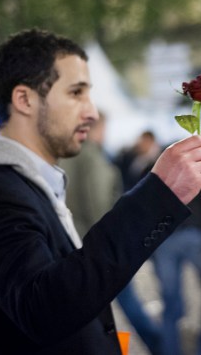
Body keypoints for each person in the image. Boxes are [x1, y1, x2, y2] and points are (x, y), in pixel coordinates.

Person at [0, 28, 201, 355]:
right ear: (24, 99)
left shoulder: (25, 184)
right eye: (76, 93)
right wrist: (156, 196)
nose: (91, 112)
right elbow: (44, 310)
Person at [59, 113, 163, 354]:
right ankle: (159, 346)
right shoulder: (92, 157)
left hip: (74, 245)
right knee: (127, 304)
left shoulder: (66, 156)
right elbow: (98, 206)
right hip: (97, 247)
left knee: (93, 315)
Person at [152, 179, 201, 355]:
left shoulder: (151, 163)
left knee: (170, 302)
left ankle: (170, 351)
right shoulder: (198, 154)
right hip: (194, 231)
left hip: (164, 238)